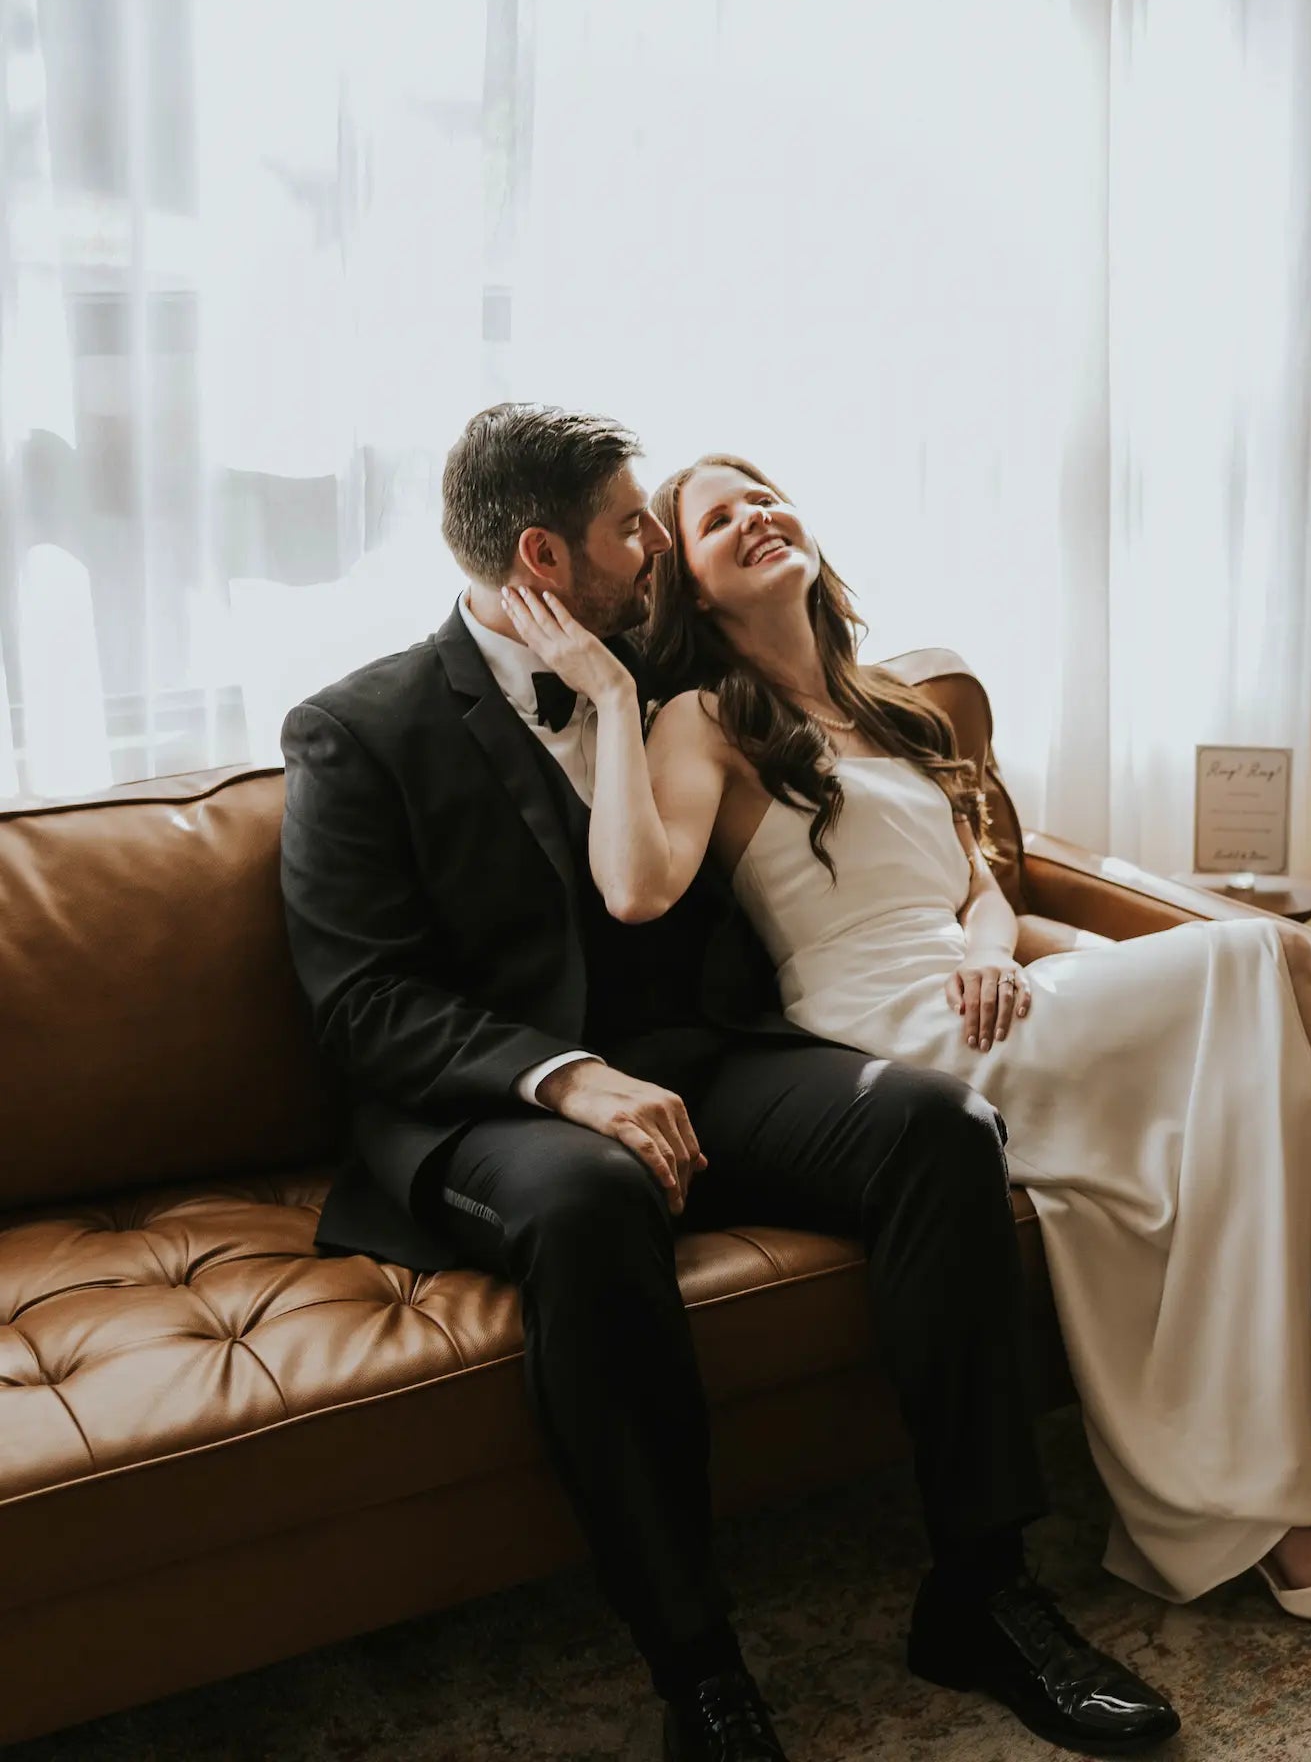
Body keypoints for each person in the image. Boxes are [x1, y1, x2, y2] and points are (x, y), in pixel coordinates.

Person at [503, 450, 1311, 1636]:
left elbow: (975, 883)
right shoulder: (699, 719)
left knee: (1242, 1096)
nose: (756, 516)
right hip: (885, 1029)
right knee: (1271, 957)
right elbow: (632, 888)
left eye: (765, 494)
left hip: (980, 990)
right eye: (718, 519)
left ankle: (1274, 1521)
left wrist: (987, 945)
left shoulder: (886, 704)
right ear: (694, 588)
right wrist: (611, 698)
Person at [278, 405, 1182, 1762]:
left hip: (712, 1064)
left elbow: (863, 772)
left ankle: (985, 1593)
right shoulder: (360, 729)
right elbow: (364, 1001)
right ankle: (699, 1670)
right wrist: (566, 1077)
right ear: (542, 555)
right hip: (498, 1111)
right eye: (631, 526)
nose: (654, 548)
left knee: (936, 1127)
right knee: (591, 1204)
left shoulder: (676, 677)